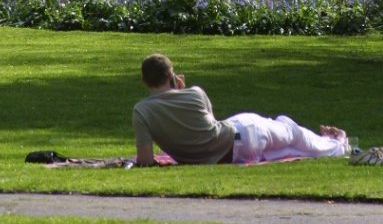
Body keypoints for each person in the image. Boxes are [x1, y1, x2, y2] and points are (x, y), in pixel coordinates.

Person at [132, 53, 350, 166]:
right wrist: (182, 89)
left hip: (233, 153)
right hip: (243, 137)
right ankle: (339, 142)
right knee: (292, 133)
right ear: (173, 76)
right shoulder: (195, 93)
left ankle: (333, 143)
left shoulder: (142, 111)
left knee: (292, 148)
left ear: (144, 81)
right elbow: (207, 123)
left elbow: (145, 160)